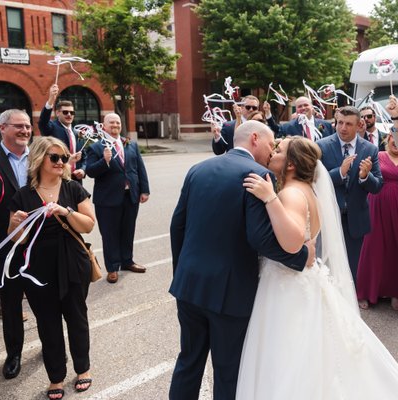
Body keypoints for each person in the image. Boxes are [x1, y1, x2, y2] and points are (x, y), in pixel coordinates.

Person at [236, 136, 398, 399]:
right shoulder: (307, 189)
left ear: (290, 164)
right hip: (304, 279)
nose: (273, 152)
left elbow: (292, 244)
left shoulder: (290, 194)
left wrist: (270, 199)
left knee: (289, 353)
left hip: (287, 284)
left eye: (279, 150)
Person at [169, 121, 315, 400]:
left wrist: (182, 272)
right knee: (227, 370)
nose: (271, 152)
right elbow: (259, 238)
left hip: (189, 286)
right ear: (255, 139)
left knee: (188, 361)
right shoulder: (257, 175)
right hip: (229, 292)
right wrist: (301, 256)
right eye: (271, 145)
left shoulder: (198, 169)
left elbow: (178, 225)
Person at [7, 136, 94, 399]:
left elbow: (89, 225)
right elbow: (18, 239)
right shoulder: (23, 196)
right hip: (38, 268)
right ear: (38, 159)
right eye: (54, 157)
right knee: (47, 323)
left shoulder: (73, 188)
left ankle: (83, 368)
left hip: (72, 263)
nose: (60, 162)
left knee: (77, 317)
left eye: (64, 157)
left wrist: (66, 212)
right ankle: (56, 377)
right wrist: (14, 224)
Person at [317, 106, 383, 282]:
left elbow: (377, 186)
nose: (343, 128)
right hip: (329, 219)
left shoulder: (370, 149)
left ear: (359, 124)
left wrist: (365, 176)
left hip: (356, 222)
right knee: (327, 271)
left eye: (348, 124)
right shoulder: (322, 146)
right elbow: (314, 181)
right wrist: (340, 172)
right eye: (340, 123)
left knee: (351, 273)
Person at [85, 113, 150, 284]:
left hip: (131, 196)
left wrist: (144, 190)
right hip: (107, 199)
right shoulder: (96, 147)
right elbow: (90, 171)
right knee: (110, 234)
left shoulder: (130, 144)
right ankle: (112, 267)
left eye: (117, 122)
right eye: (111, 123)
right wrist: (104, 161)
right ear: (104, 126)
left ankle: (127, 261)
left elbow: (139, 168)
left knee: (128, 230)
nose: (115, 125)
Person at [0, 109, 30, 380]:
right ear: (2, 128)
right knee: (10, 304)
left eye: (28, 126)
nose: (25, 131)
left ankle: (52, 347)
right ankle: (14, 354)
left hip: (40, 243)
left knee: (47, 301)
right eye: (18, 126)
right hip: (4, 245)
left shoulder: (40, 156)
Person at [357, 101, 398, 310]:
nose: (395, 142)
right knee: (373, 248)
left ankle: (394, 291)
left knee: (395, 249)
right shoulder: (377, 155)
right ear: (387, 139)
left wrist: (395, 116)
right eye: (392, 138)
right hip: (377, 207)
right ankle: (365, 291)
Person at [38, 84, 86, 184]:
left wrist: (83, 169)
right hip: (58, 178)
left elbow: (84, 156)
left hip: (76, 180)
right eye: (65, 112)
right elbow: (43, 122)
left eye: (72, 113)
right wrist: (51, 100)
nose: (69, 115)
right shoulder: (52, 127)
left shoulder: (76, 132)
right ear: (57, 113)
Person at [263, 96, 333, 140]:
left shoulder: (326, 125)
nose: (303, 108)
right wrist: (268, 113)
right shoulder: (288, 127)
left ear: (312, 107)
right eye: (300, 106)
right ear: (296, 110)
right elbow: (275, 129)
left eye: (306, 105)